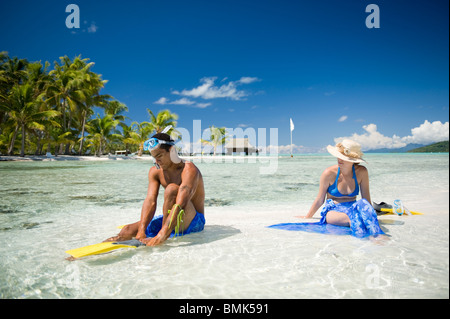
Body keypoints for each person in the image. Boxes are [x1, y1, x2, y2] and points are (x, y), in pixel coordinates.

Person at [104, 132, 205, 246]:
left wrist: (162, 234)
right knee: (127, 231)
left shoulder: (189, 169)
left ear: (172, 150)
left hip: (193, 221)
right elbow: (150, 200)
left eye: (159, 156)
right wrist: (141, 231)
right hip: (172, 216)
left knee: (171, 189)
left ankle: (165, 234)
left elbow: (181, 203)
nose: (157, 161)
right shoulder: (155, 171)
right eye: (154, 157)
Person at [298, 139, 386, 239]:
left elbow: (366, 200)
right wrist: (308, 216)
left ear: (353, 161)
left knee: (363, 207)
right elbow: (319, 199)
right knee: (354, 218)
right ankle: (365, 241)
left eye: (344, 157)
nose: (339, 159)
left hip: (354, 207)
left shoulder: (362, 172)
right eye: (339, 156)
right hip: (333, 211)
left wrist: (370, 215)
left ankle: (378, 237)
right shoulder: (329, 173)